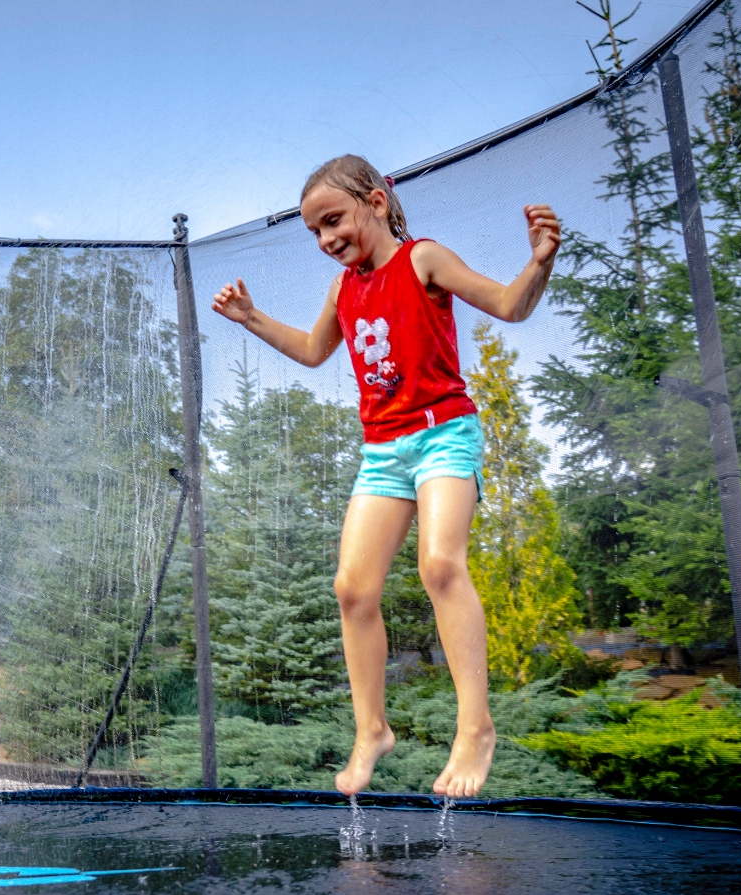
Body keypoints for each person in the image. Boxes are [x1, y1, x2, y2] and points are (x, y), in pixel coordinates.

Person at [211, 155, 560, 798]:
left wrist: (537, 262)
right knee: (352, 589)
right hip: (383, 450)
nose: (326, 240)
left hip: (443, 434)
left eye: (334, 221)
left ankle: (475, 728)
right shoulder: (344, 288)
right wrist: (251, 318)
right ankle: (371, 730)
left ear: (375, 202)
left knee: (440, 566)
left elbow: (510, 306)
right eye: (314, 232)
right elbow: (316, 353)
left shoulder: (423, 258)